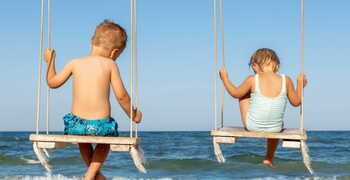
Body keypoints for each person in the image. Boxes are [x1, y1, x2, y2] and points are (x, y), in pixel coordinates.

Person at [43, 20, 142, 180]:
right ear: (114, 52)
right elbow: (121, 96)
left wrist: (51, 60)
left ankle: (96, 175)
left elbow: (52, 82)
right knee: (106, 140)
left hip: (76, 125)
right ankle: (90, 175)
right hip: (101, 125)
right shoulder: (110, 64)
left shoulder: (74, 63)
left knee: (83, 140)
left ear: (92, 42)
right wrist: (134, 114)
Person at [219, 48, 307, 168]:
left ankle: (266, 154)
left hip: (252, 126)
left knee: (243, 95)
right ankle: (268, 158)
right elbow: (296, 102)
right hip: (275, 128)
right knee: (273, 125)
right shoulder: (286, 80)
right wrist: (300, 84)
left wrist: (225, 78)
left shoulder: (252, 79)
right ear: (277, 66)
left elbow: (235, 93)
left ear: (255, 66)